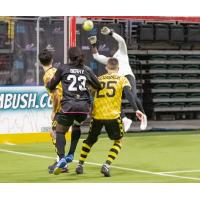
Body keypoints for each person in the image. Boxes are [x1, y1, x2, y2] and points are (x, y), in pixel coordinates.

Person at [75, 58, 144, 177]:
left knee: (90, 140)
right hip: (113, 116)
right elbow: (128, 94)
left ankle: (80, 165)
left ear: (106, 68)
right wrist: (136, 109)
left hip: (97, 115)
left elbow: (90, 94)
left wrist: (90, 109)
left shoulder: (99, 79)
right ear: (118, 68)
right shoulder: (123, 79)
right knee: (118, 141)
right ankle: (106, 165)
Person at [46, 46, 102, 175]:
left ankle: (61, 158)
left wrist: (50, 83)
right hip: (83, 108)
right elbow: (98, 85)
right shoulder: (87, 69)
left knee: (60, 131)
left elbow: (51, 85)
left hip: (68, 107)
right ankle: (71, 154)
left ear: (69, 57)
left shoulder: (63, 68)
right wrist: (88, 86)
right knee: (76, 126)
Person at [88, 27, 147, 131]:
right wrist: (93, 44)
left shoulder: (123, 52)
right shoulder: (110, 61)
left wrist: (111, 33)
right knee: (113, 100)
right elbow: (96, 56)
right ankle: (125, 119)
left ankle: (142, 115)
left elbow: (121, 40)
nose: (112, 50)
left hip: (127, 76)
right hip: (117, 80)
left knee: (132, 95)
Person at [39, 49, 74, 173]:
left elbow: (56, 96)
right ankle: (60, 159)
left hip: (61, 108)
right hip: (70, 104)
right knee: (57, 133)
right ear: (52, 60)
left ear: (39, 62)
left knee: (55, 134)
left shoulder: (47, 75)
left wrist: (54, 111)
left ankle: (62, 163)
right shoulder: (57, 70)